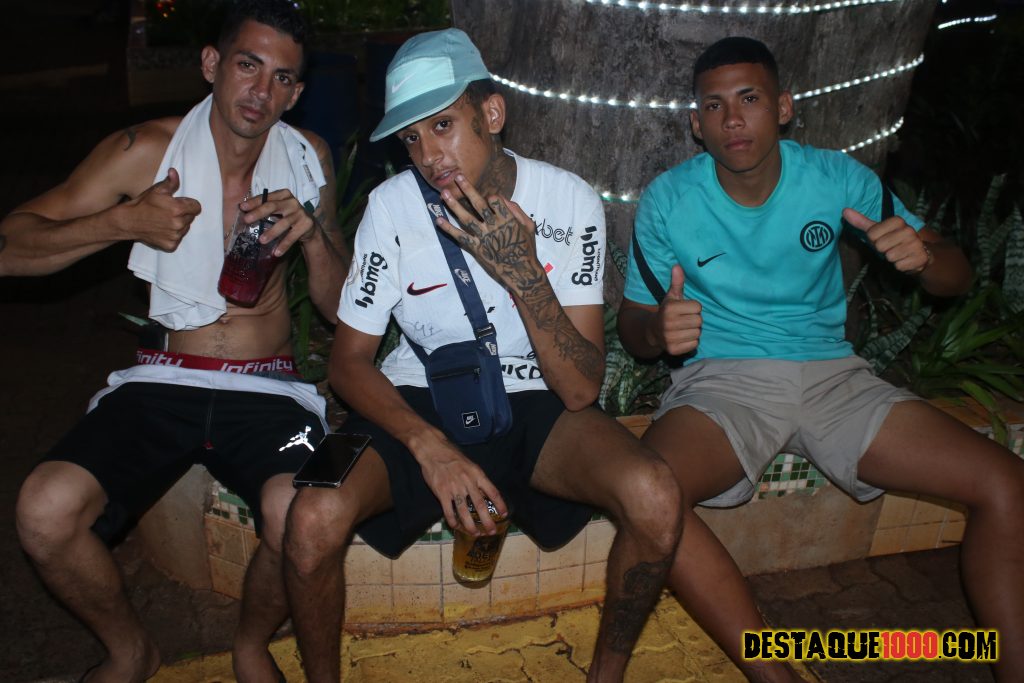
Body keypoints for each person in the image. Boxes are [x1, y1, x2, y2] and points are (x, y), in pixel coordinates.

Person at [616, 36, 1024, 681]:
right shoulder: (669, 199)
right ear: (696, 124)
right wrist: (657, 330)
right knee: (650, 496)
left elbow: (956, 275)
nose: (732, 119)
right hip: (724, 383)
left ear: (783, 107)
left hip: (834, 376)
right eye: (714, 106)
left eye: (749, 99)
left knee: (1006, 484)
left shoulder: (838, 179)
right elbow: (633, 325)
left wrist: (926, 258)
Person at [283, 28, 684, 683]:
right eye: (411, 138)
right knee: (310, 514)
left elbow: (580, 389)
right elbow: (347, 362)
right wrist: (429, 447)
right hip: (419, 393)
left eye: (442, 125)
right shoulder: (391, 207)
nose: (428, 155)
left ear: (491, 113)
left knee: (656, 495)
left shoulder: (569, 200)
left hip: (537, 399)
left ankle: (606, 674)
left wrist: (524, 273)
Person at [2, 1, 348, 680]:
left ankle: (250, 643)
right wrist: (123, 222)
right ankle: (130, 649)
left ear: (296, 93)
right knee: (44, 511)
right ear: (212, 64)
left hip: (269, 386)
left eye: (281, 78)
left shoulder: (310, 159)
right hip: (164, 376)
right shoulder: (143, 152)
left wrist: (312, 237)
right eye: (247, 65)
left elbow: (341, 307)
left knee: (300, 511)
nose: (261, 91)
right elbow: (12, 245)